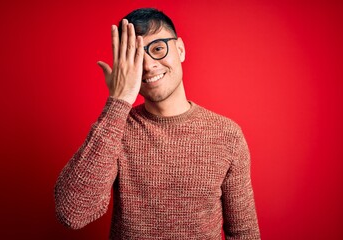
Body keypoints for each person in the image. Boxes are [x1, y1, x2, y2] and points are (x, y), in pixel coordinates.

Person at [54, 8, 261, 240]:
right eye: (135, 58)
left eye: (158, 48)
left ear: (180, 49)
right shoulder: (115, 129)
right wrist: (118, 101)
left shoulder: (227, 135)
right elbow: (72, 213)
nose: (149, 65)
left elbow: (244, 233)